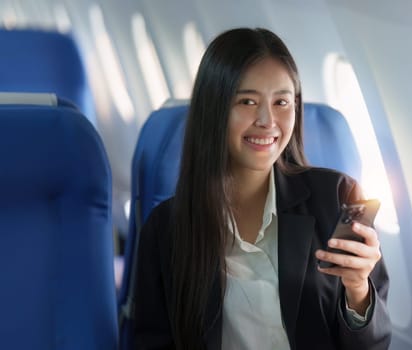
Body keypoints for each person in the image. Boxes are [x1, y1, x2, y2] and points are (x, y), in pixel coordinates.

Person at [131, 27, 391, 350]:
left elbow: (374, 344)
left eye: (281, 101)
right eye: (248, 101)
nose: (268, 120)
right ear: (214, 110)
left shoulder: (335, 198)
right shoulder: (166, 229)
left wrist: (358, 291)